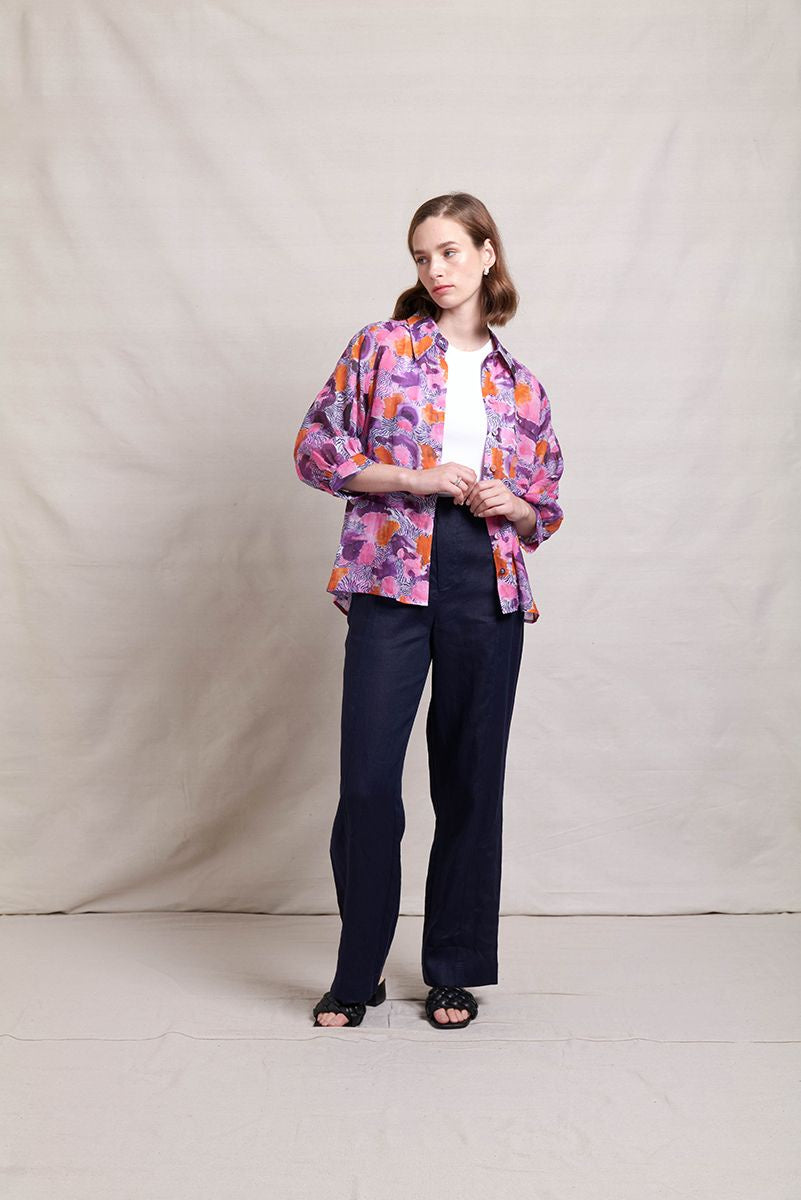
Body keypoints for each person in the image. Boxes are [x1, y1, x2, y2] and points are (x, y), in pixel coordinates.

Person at [293, 191, 565, 1029]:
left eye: (449, 251)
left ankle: (453, 970)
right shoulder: (381, 347)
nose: (435, 269)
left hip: (485, 579)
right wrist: (414, 478)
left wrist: (514, 505)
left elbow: (545, 510)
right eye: (421, 256)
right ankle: (357, 975)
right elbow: (316, 448)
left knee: (471, 779)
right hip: (391, 571)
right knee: (369, 782)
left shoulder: (521, 387)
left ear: (486, 254)